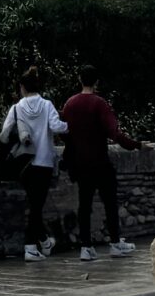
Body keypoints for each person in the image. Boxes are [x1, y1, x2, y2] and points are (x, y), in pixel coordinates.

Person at [60, 66, 144, 259]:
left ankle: (86, 247)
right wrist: (137, 145)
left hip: (80, 163)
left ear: (80, 79)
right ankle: (115, 243)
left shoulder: (70, 104)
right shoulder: (99, 104)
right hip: (100, 161)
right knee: (110, 203)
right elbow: (114, 133)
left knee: (85, 204)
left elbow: (63, 131)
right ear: (96, 82)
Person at [0, 68, 67, 260]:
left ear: (22, 87)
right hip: (44, 162)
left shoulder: (17, 108)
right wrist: (68, 126)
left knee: (34, 204)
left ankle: (44, 241)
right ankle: (31, 246)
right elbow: (56, 126)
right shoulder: (47, 105)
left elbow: (5, 132)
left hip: (24, 163)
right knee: (37, 206)